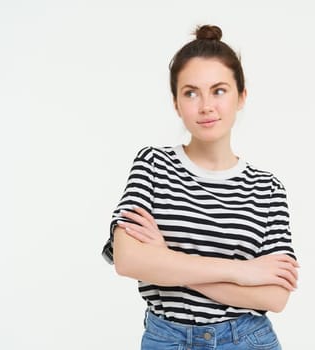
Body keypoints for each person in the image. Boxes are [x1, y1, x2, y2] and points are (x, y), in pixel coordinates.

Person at [101, 24, 298, 350]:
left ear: (241, 97)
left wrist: (165, 258)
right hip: (167, 339)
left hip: (247, 339)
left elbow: (274, 297)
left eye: (219, 90)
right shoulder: (153, 165)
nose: (206, 105)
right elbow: (127, 259)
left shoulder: (267, 189)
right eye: (191, 92)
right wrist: (242, 271)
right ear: (177, 103)